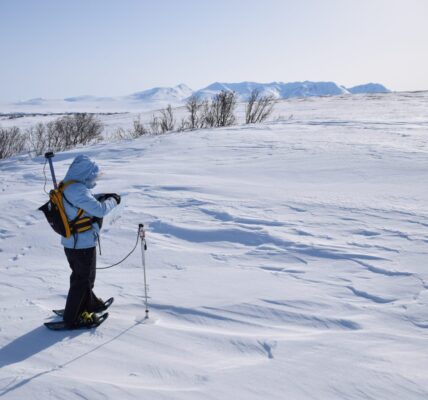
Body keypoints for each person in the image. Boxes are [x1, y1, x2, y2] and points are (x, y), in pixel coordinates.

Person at [60, 155, 120, 328]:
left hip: (72, 243)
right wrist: (113, 200)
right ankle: (72, 318)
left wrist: (101, 196)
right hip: (81, 243)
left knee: (82, 277)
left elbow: (84, 202)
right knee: (83, 280)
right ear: (85, 173)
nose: (94, 178)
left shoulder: (68, 185)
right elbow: (99, 210)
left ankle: (90, 304)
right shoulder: (78, 190)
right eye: (93, 175)